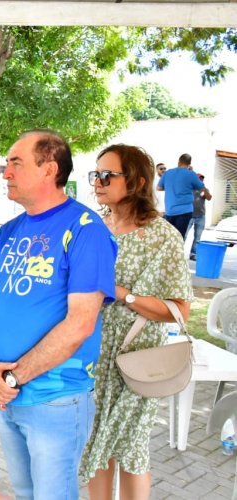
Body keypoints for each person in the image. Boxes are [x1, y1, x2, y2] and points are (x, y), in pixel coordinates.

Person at [0, 130, 117, 500]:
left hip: (55, 400)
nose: (5, 173)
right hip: (5, 395)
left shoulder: (86, 230)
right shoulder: (8, 231)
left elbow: (81, 323)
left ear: (49, 168)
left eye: (15, 163)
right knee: (23, 492)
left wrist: (12, 379)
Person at [80, 144, 192, 499]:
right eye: (95, 174)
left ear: (137, 181)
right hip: (92, 354)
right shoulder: (94, 228)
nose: (98, 182)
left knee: (131, 449)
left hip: (136, 356)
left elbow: (180, 310)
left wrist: (123, 294)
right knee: (96, 443)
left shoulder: (163, 237)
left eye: (107, 175)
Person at [157, 153, 205, 238]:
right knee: (179, 237)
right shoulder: (191, 174)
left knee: (169, 237)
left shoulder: (168, 173)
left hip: (170, 211)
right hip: (184, 212)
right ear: (189, 164)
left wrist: (170, 188)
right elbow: (201, 187)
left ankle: (170, 251)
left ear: (178, 162)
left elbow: (159, 188)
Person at [187, 173, 212, 261]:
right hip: (189, 215)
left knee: (197, 237)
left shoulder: (204, 190)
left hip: (201, 216)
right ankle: (178, 253)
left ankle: (193, 254)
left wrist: (204, 189)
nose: (200, 180)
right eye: (199, 179)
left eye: (202, 179)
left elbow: (209, 198)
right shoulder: (189, 188)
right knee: (184, 235)